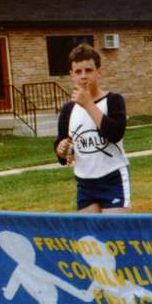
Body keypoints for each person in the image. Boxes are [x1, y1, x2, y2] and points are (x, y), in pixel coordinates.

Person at [54, 44, 130, 213]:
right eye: (78, 72)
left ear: (98, 72)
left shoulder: (113, 100)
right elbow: (62, 148)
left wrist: (88, 103)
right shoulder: (68, 109)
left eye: (89, 70)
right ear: (71, 75)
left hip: (112, 178)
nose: (84, 76)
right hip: (85, 182)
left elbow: (115, 134)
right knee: (91, 237)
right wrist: (61, 149)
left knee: (114, 234)